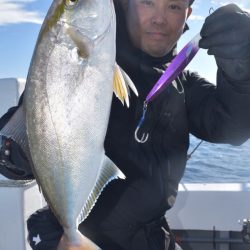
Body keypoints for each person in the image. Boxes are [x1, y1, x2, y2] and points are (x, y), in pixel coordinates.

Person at [1, 0, 250, 249]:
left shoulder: (183, 83)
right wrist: (14, 151)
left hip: (152, 239)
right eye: (147, 2)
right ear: (125, 5)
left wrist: (241, 70)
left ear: (188, 15)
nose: (159, 18)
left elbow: (231, 126)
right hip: (71, 236)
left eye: (173, 7)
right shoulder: (77, 63)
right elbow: (30, 120)